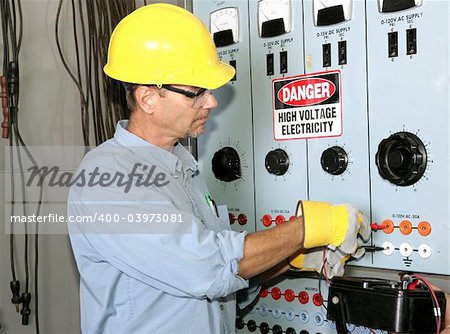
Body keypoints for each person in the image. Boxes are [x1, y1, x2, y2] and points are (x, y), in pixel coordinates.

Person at [67, 4, 369, 333]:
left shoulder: (181, 168)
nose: (211, 102)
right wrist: (307, 228)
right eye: (197, 92)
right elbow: (205, 268)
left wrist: (289, 258)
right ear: (148, 98)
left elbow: (223, 286)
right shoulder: (107, 179)